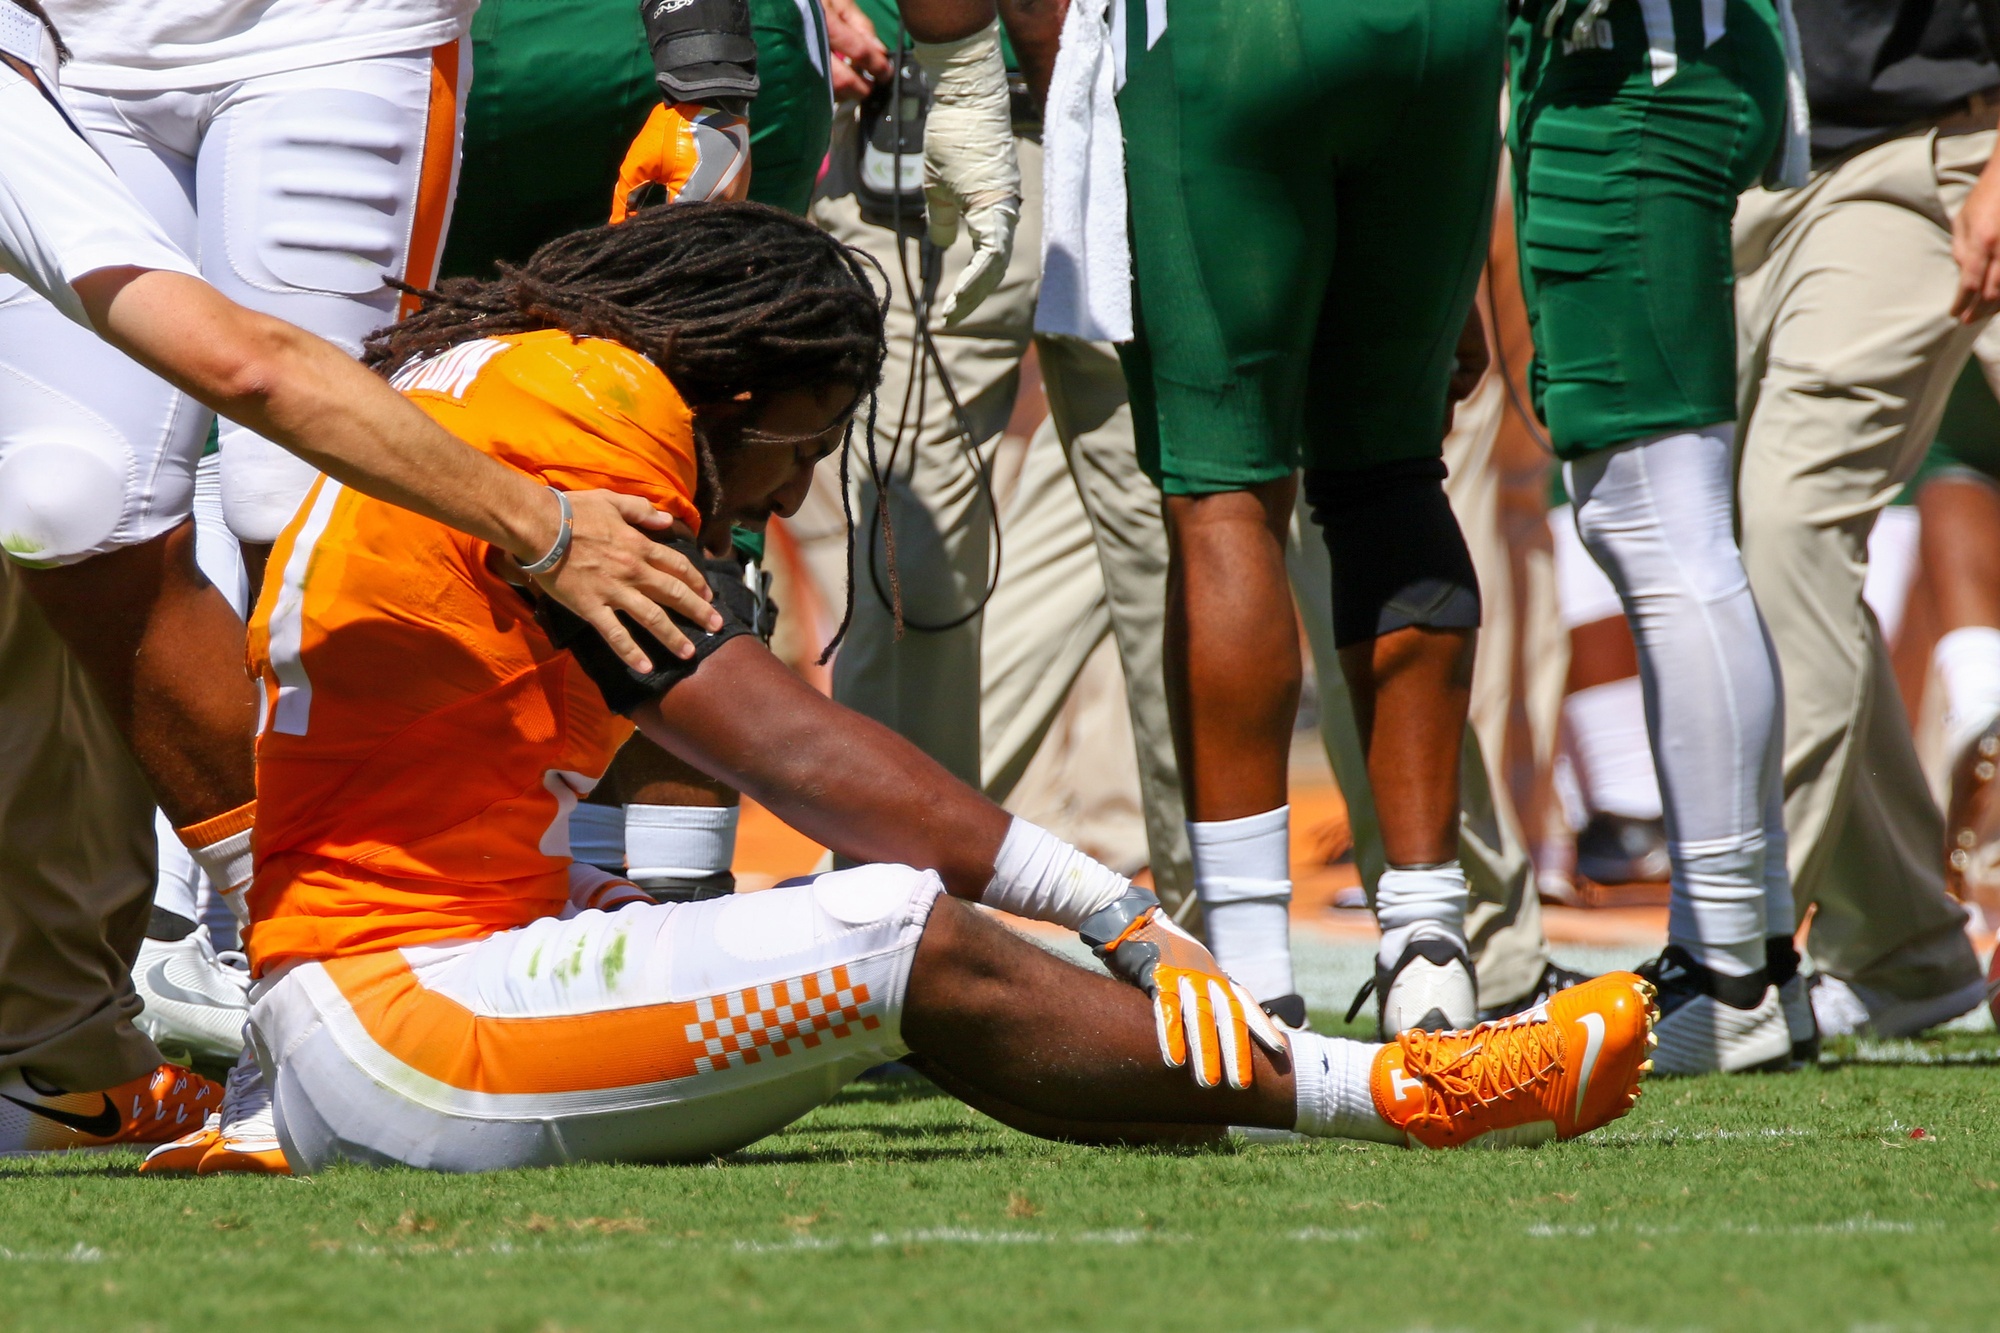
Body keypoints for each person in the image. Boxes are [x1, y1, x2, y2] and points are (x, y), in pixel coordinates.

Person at [194, 202, 1653, 1171]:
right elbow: (780, 746)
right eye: (806, 444)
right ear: (734, 394)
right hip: (398, 1026)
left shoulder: (505, 375)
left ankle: (1255, 1093)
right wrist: (1108, 902)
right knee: (890, 921)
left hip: (387, 990)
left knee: (866, 964)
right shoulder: (603, 407)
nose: (797, 487)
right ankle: (1395, 1091)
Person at [0, 0, 715, 1152]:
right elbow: (247, 364)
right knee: (67, 497)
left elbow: (265, 377)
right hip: (55, 57)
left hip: (324, 29)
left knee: (284, 498)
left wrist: (705, 67)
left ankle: (364, 931)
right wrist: (542, 527)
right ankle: (288, 942)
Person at [1510, 0, 1810, 1073]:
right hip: (1642, 65)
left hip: (1631, 73)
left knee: (1660, 525)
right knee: (1658, 522)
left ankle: (1726, 972)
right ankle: (1752, 953)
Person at [1733, 0, 2000, 1037]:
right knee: (1755, 561)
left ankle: (1733, 950)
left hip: (1920, 146)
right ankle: (1901, 945)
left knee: (1787, 530)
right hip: (1733, 159)